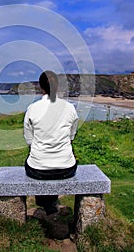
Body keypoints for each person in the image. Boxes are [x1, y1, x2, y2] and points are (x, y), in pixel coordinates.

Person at [24, 70, 78, 216]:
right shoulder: (70, 108)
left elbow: (29, 140)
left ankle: (45, 205)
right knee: (54, 163)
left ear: (41, 87)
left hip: (38, 170)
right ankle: (50, 206)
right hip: (66, 169)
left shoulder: (32, 109)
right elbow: (71, 137)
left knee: (35, 160)